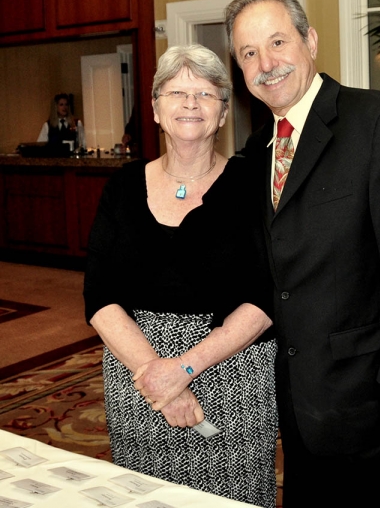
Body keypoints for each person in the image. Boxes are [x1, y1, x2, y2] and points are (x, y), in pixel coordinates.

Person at [225, 0, 380, 507]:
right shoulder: (259, 148)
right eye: (249, 53)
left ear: (310, 41)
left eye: (278, 42)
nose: (267, 64)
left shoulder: (378, 122)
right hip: (298, 398)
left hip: (371, 397)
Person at [83, 44, 278, 508]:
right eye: (176, 92)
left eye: (206, 94)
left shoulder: (254, 185)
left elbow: (267, 295)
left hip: (231, 377)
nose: (191, 103)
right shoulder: (121, 187)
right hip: (139, 378)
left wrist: (183, 369)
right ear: (155, 109)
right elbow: (99, 295)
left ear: (223, 112)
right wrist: (157, 376)